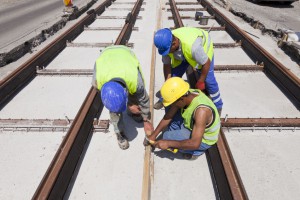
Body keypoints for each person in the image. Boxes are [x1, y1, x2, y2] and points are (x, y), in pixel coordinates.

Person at [92, 45, 154, 150]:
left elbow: (143, 99)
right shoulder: (98, 81)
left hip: (125, 53)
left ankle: (134, 111)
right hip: (105, 56)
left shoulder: (135, 81)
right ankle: (119, 132)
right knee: (114, 110)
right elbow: (105, 95)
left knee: (136, 97)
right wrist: (114, 104)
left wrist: (146, 120)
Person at [146, 77, 220, 160]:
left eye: (174, 102)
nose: (173, 105)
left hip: (203, 139)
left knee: (167, 136)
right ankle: (178, 137)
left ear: (181, 98)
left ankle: (195, 152)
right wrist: (154, 135)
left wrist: (168, 143)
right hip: (191, 125)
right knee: (169, 109)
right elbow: (168, 116)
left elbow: (195, 143)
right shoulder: (187, 94)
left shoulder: (202, 111)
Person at [153, 27, 223, 114]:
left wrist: (201, 81)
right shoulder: (166, 45)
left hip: (203, 49)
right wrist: (168, 82)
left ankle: (218, 105)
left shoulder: (194, 48)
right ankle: (165, 98)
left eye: (168, 51)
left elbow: (206, 63)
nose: (166, 53)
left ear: (174, 44)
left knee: (209, 80)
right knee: (173, 78)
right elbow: (166, 65)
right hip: (183, 53)